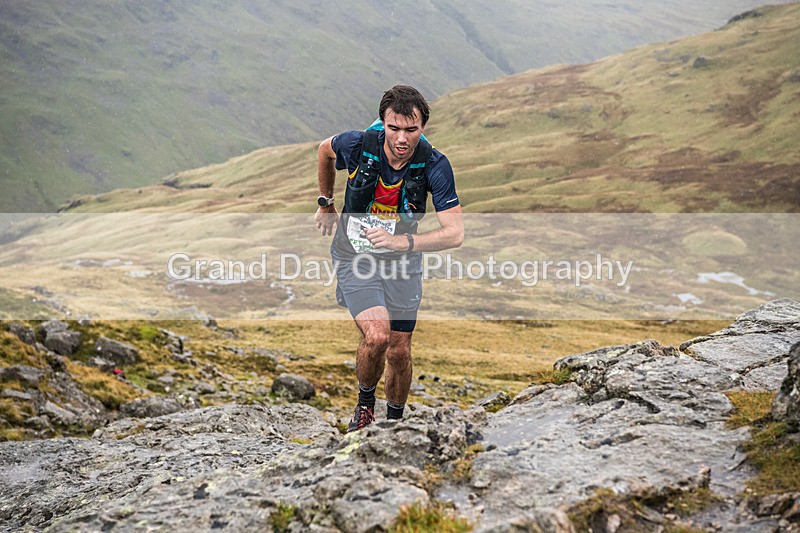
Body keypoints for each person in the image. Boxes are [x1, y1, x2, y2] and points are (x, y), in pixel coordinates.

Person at [314, 85, 464, 432]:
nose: (401, 138)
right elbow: (325, 150)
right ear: (383, 122)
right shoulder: (357, 144)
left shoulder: (435, 165)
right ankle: (365, 408)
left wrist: (403, 243)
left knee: (399, 349)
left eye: (411, 130)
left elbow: (455, 233)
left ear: (422, 127)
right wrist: (326, 202)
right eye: (394, 128)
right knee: (378, 336)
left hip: (402, 262)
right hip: (355, 257)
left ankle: (395, 424)